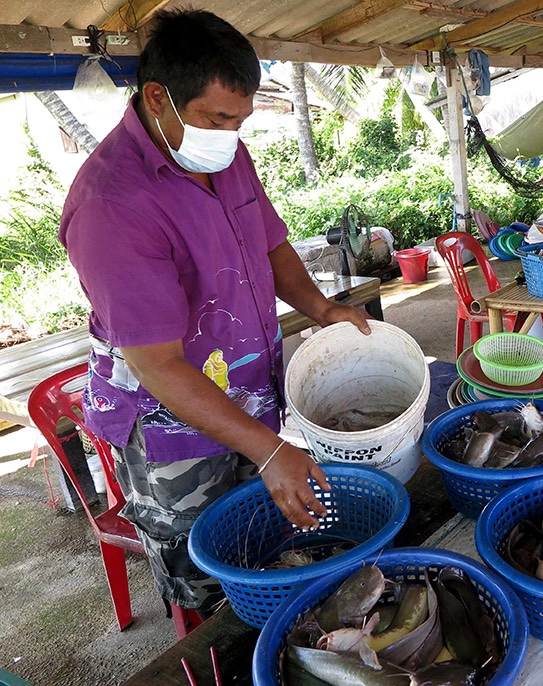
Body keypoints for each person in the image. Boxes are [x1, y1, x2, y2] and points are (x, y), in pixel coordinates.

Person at [59, 9, 373, 614]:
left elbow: (270, 242)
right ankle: (214, 645)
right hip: (170, 423)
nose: (230, 134)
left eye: (240, 120)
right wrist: (272, 451)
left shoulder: (223, 154)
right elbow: (156, 364)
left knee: (264, 541)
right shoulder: (112, 205)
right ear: (158, 98)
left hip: (247, 393)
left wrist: (320, 307)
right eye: (218, 119)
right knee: (206, 570)